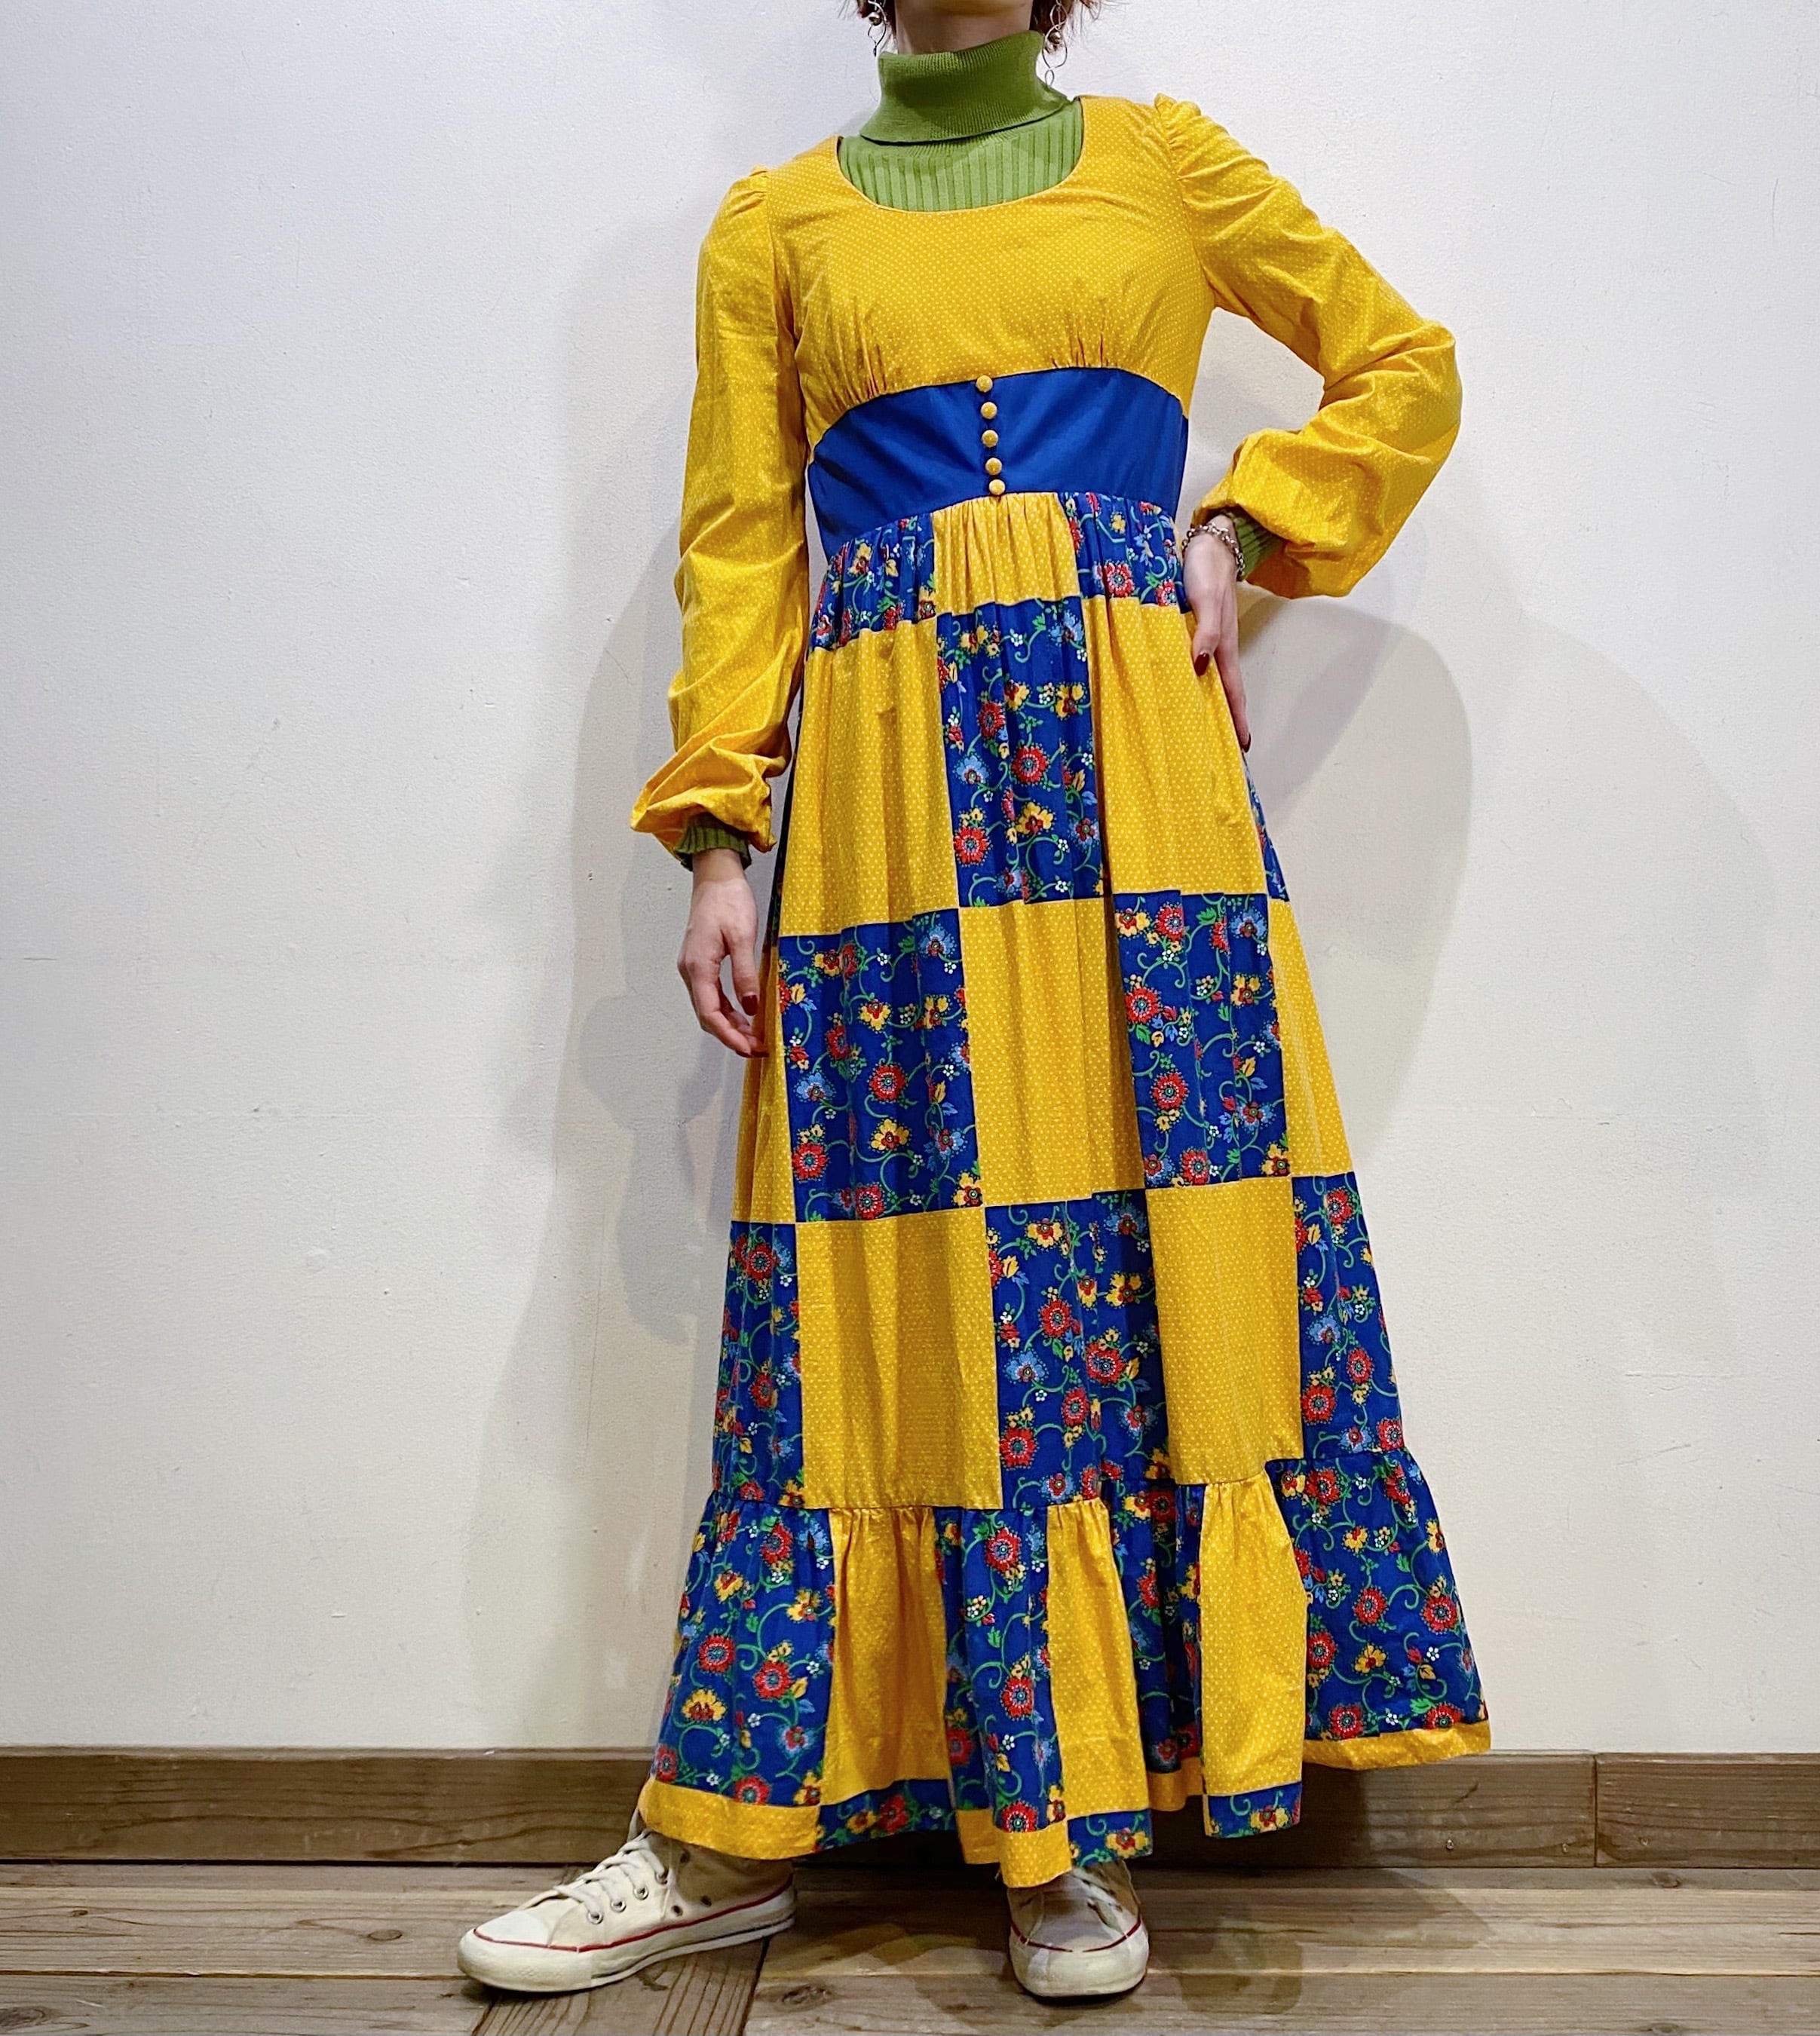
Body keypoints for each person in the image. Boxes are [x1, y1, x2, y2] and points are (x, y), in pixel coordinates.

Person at [458, 0, 1488, 2003]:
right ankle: (732, 1827)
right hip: (885, 808)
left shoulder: (1166, 164)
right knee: (870, 1287)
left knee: (1131, 1255)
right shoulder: (775, 224)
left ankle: (1072, 1834)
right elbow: (742, 543)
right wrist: (721, 834)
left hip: (1140, 797)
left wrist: (1246, 523)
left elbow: (1403, 360)